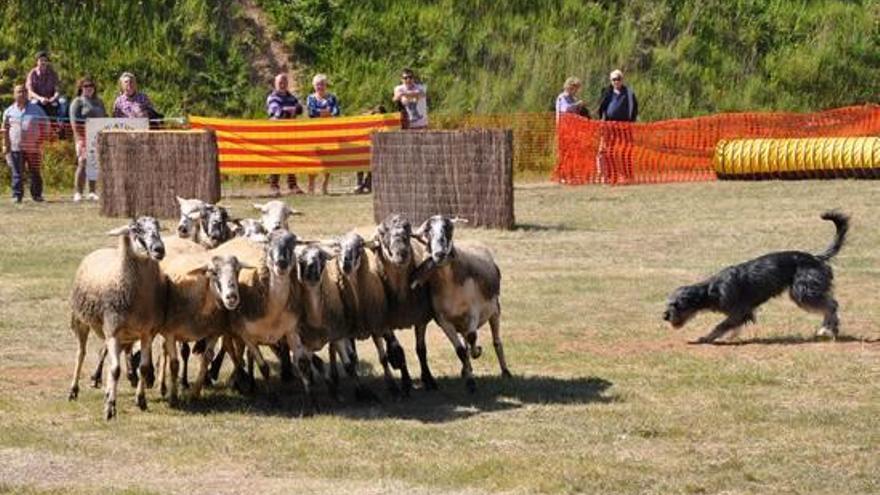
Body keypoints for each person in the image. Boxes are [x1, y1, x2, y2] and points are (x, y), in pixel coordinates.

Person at [3, 84, 48, 203]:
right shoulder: (9, 111)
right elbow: (5, 130)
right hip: (16, 147)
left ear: (27, 93)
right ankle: (17, 195)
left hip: (33, 147)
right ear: (14, 94)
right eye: (18, 92)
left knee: (35, 171)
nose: (21, 94)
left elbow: (46, 126)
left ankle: (37, 195)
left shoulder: (37, 109)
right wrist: (5, 145)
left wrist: (41, 141)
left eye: (23, 91)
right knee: (17, 172)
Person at [69, 76, 107, 202]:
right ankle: (78, 192)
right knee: (82, 163)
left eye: (91, 86)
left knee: (94, 164)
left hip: (97, 137)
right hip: (83, 136)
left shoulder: (99, 102)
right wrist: (79, 139)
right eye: (85, 86)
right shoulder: (77, 102)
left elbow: (105, 118)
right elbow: (73, 122)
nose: (89, 88)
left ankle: (92, 191)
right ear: (81, 88)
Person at [597, 69, 638, 184]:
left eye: (618, 79)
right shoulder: (606, 92)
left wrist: (631, 122)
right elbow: (601, 107)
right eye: (614, 79)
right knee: (608, 151)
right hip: (609, 126)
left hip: (625, 127)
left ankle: (627, 175)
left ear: (622, 79)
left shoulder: (629, 92)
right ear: (611, 81)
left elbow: (634, 108)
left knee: (625, 151)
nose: (616, 81)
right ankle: (609, 175)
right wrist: (602, 121)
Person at [266, 73, 304, 196]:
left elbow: (300, 109)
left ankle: (292, 185)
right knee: (276, 159)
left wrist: (293, 110)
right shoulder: (272, 97)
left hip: (290, 133)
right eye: (280, 83)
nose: (282, 85)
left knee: (291, 158)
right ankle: (274, 186)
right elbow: (277, 112)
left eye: (285, 83)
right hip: (276, 133)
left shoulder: (292, 97)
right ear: (275, 84)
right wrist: (290, 111)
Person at [305, 73, 340, 195]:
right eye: (318, 84)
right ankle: (311, 185)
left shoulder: (332, 98)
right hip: (314, 132)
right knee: (313, 159)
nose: (320, 86)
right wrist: (325, 112)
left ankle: (325, 185)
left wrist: (323, 113)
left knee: (328, 159)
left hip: (329, 132)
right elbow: (311, 112)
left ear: (326, 85)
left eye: (322, 84)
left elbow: (336, 112)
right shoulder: (310, 98)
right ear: (314, 86)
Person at [26, 51, 67, 122]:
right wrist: (40, 98)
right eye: (41, 60)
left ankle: (60, 125)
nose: (43, 62)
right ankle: (34, 124)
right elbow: (30, 91)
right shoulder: (32, 74)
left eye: (45, 60)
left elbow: (57, 89)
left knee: (63, 101)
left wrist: (54, 97)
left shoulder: (52, 73)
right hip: (37, 99)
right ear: (37, 62)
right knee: (33, 104)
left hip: (50, 98)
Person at [354, 104, 385, 194]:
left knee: (372, 166)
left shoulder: (384, 123)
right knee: (361, 163)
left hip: (376, 149)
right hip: (364, 147)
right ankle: (360, 183)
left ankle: (367, 184)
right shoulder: (368, 121)